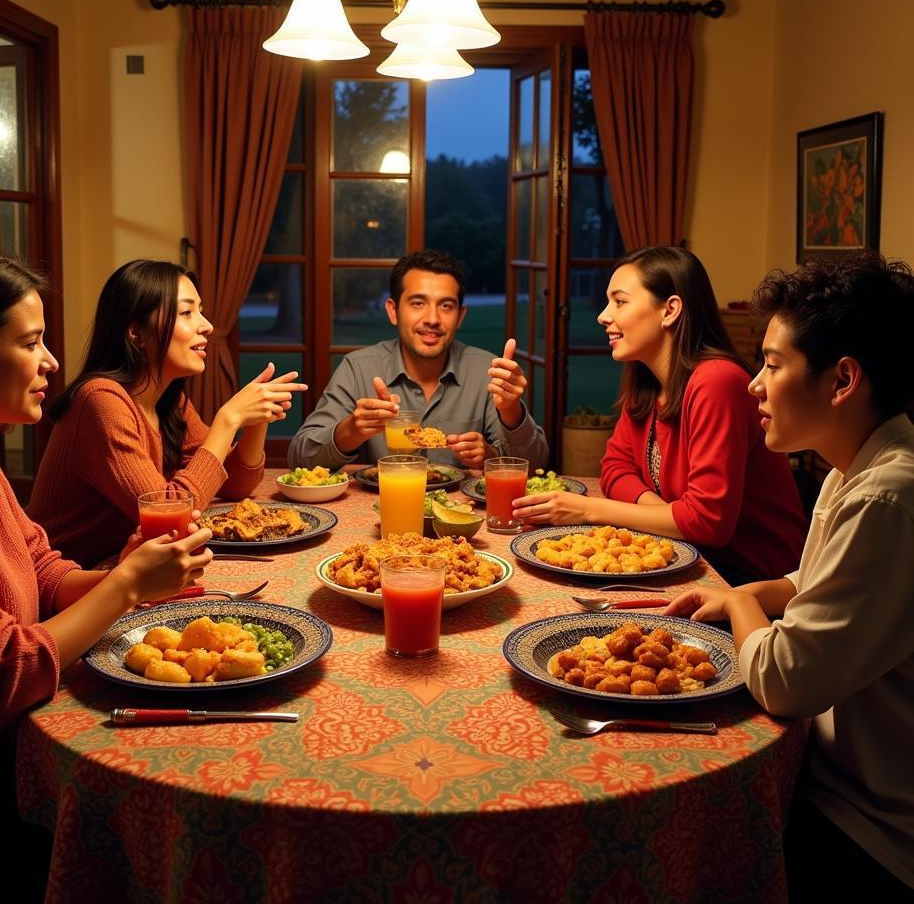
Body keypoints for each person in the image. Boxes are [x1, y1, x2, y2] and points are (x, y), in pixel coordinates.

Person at [0, 244, 213, 898]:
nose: (51, 362)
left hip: (14, 755)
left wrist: (132, 580)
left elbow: (41, 570)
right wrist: (123, 588)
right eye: (31, 343)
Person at [663, 252, 914, 897]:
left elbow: (784, 679)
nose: (753, 385)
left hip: (868, 825)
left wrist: (742, 598)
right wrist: (758, 598)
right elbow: (810, 581)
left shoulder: (887, 497)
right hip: (828, 776)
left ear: (842, 380)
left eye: (772, 365)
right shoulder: (849, 466)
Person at [513, 246, 807, 584]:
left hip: (748, 580)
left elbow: (708, 524)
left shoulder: (716, 381)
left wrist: (586, 509)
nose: (603, 315)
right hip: (683, 555)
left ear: (669, 310)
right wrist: (661, 511)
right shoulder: (648, 381)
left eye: (620, 302)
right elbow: (613, 467)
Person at [29, 260, 306, 565]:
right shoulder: (100, 400)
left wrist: (258, 420)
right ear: (136, 333)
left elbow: (235, 485)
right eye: (187, 313)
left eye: (200, 310)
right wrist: (228, 420)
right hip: (74, 583)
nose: (207, 325)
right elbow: (169, 513)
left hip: (129, 567)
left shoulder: (168, 401)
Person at [287, 249, 548, 470]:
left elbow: (538, 464)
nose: (432, 319)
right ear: (393, 311)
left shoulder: (485, 371)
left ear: (460, 316)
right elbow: (299, 457)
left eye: (446, 306)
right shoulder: (359, 368)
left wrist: (503, 427)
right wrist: (351, 430)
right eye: (418, 303)